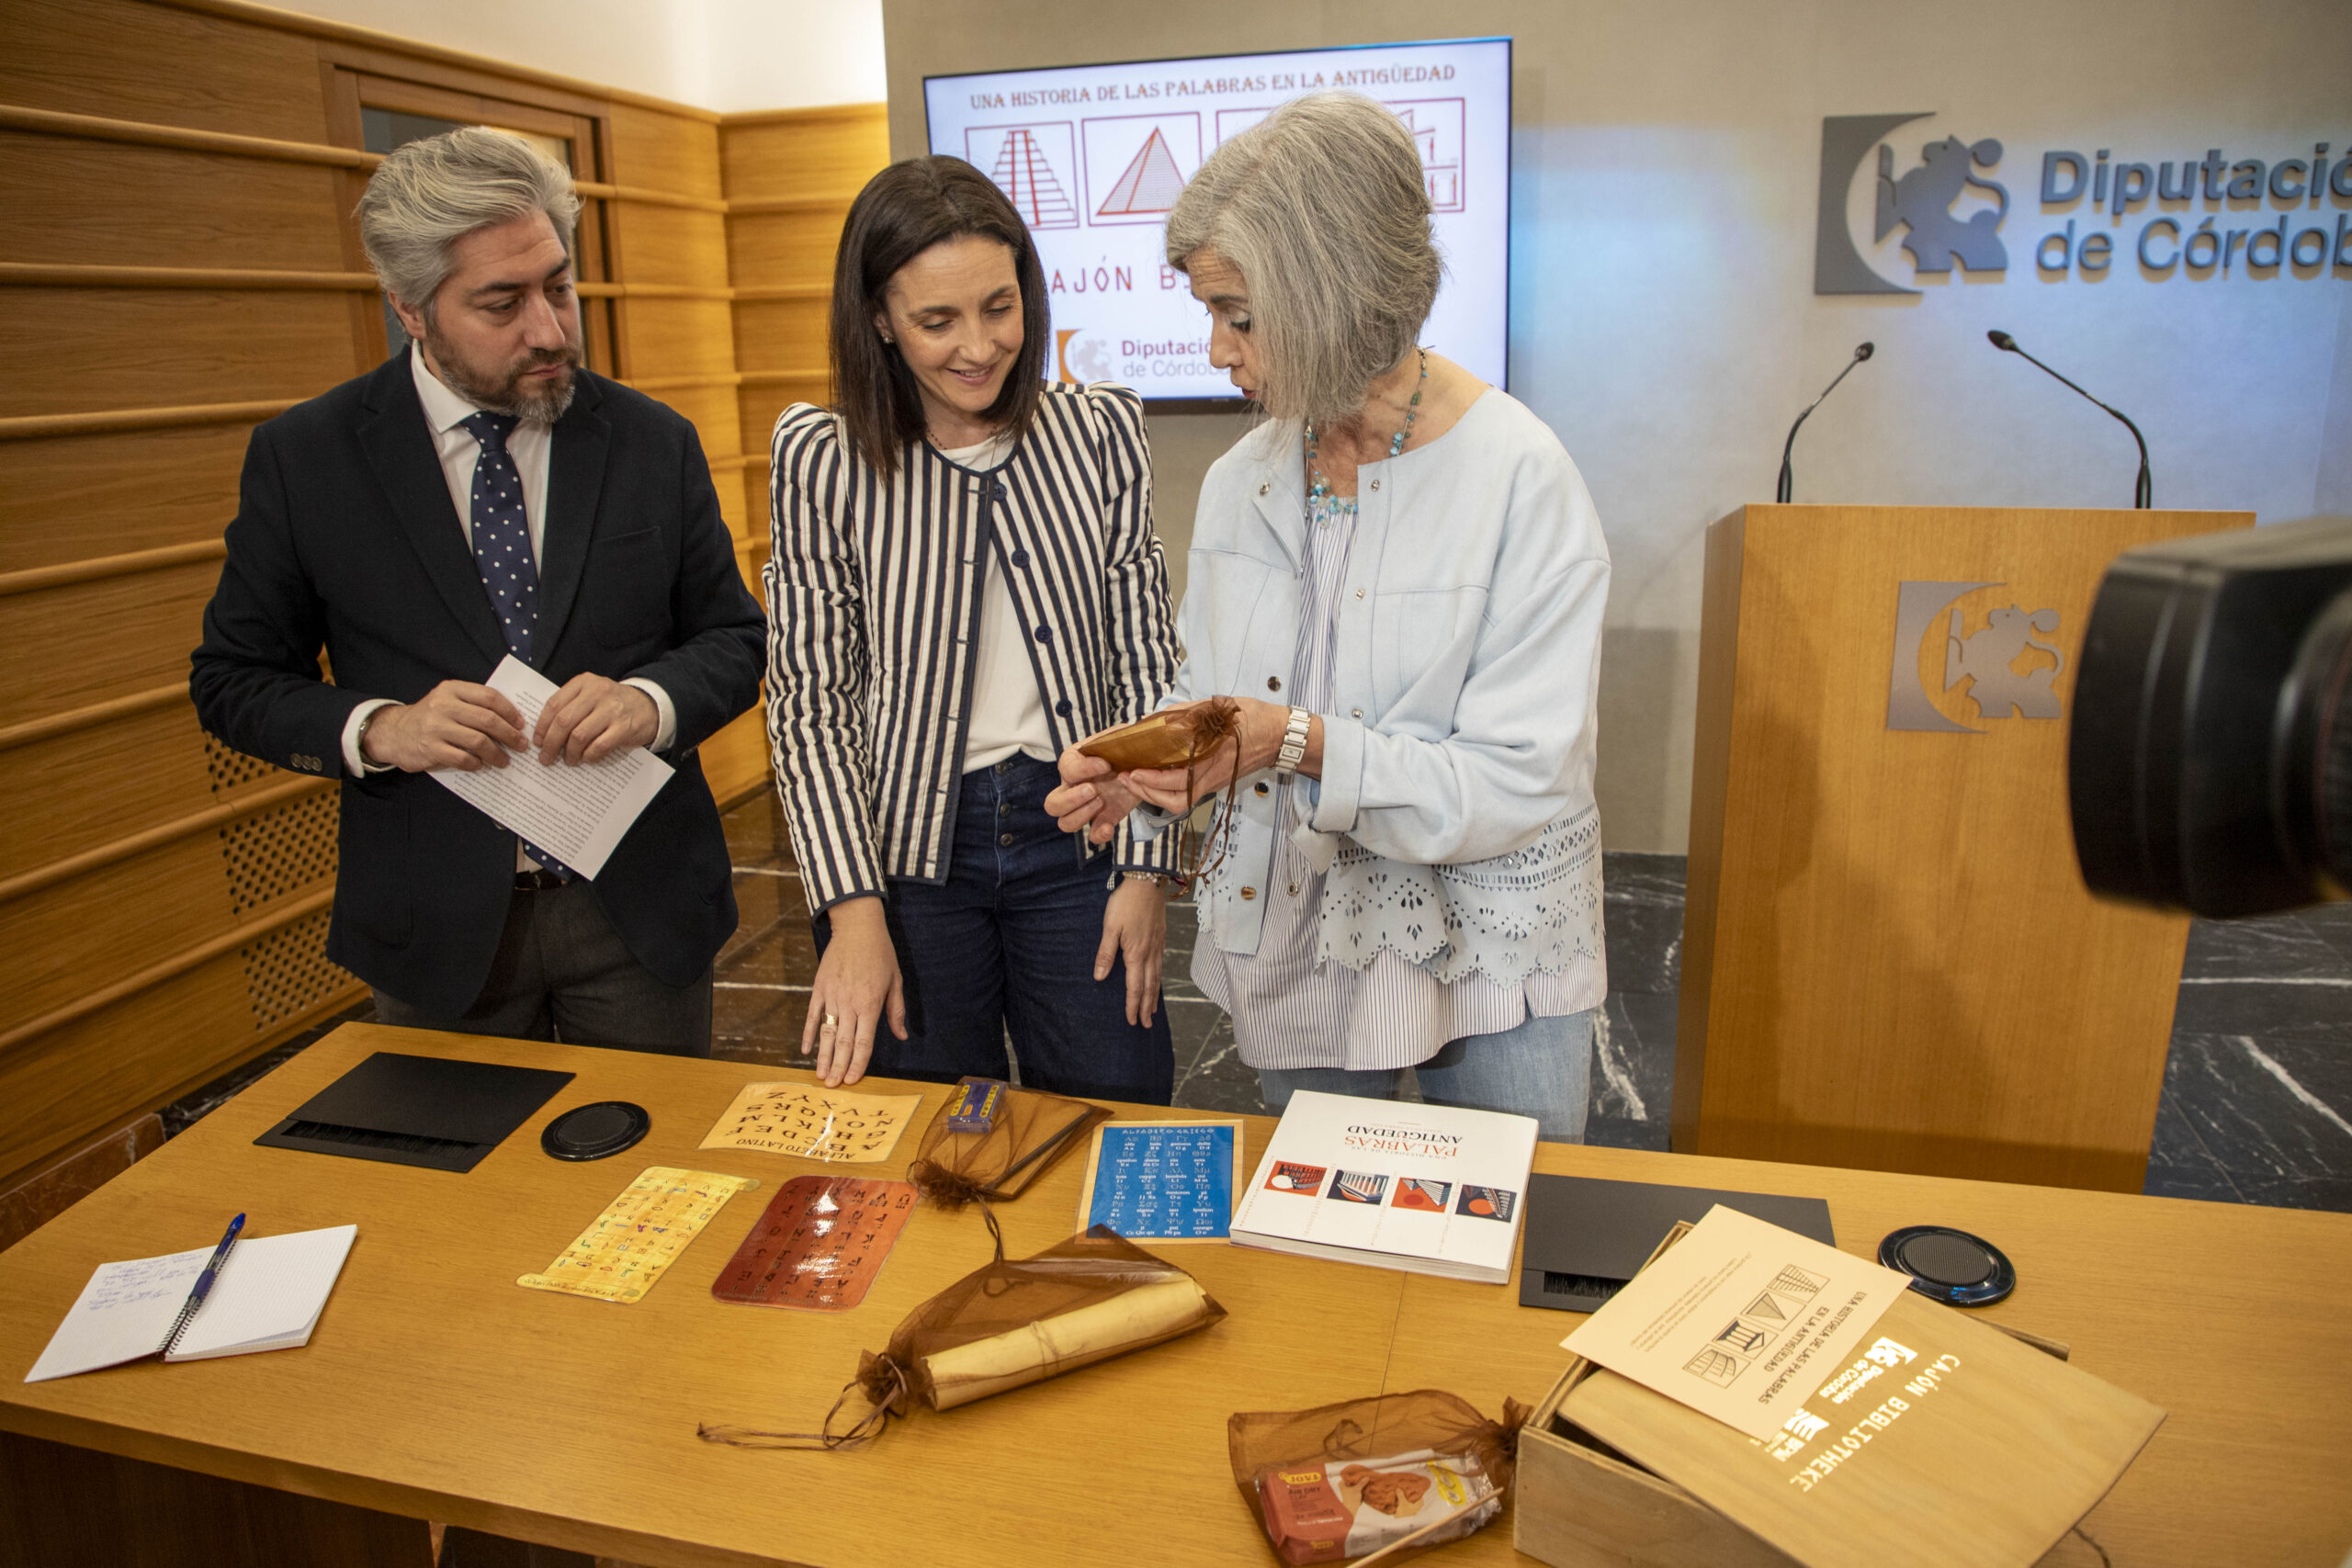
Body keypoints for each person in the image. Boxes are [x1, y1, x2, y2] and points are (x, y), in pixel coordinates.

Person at [1048, 93, 1611, 1140]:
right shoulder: (1242, 481)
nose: (1218, 351)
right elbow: (1216, 688)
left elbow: (1516, 780)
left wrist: (1295, 742)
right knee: (1316, 1248)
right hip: (1302, 929)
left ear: (1338, 292)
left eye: (1241, 317)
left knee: (1497, 1241)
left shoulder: (1519, 477)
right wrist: (1171, 755)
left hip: (1485, 947)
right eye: (1209, 314)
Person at [190, 128, 764, 1055]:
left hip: (638, 909)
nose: (548, 329)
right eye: (502, 303)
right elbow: (233, 679)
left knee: (648, 1188)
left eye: (558, 286)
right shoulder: (309, 459)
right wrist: (381, 729)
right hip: (438, 925)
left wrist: (648, 702)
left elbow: (735, 641)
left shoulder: (651, 440)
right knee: (464, 1196)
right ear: (409, 310)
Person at [765, 155, 1182, 1100]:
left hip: (1079, 839)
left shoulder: (1098, 431)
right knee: (919, 1143)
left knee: (1109, 1122)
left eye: (999, 307)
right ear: (878, 319)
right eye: (936, 320)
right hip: (908, 855)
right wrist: (851, 915)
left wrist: (1147, 870)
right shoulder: (824, 458)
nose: (977, 346)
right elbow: (810, 703)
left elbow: (1146, 658)